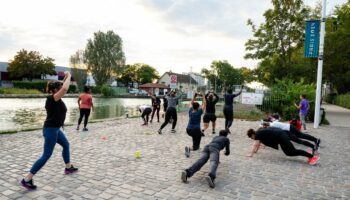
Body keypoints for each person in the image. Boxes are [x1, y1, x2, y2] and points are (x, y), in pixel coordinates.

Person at [21, 71, 78, 190]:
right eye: (60, 88)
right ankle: (27, 179)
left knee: (66, 145)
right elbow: (65, 88)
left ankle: (68, 167)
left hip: (56, 129)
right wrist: (69, 75)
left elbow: (63, 87)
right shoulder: (51, 99)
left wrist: (66, 77)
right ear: (55, 90)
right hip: (50, 130)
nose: (62, 89)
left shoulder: (56, 98)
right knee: (46, 155)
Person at [246, 127, 319, 165]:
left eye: (251, 138)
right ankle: (310, 154)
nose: (252, 139)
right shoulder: (259, 133)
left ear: (252, 135)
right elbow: (257, 144)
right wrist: (255, 151)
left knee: (292, 151)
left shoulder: (258, 134)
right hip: (282, 135)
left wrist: (251, 154)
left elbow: (255, 144)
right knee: (288, 153)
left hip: (282, 136)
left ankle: (312, 157)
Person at [185, 92, 206, 157]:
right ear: (198, 107)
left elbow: (191, 103)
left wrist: (194, 96)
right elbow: (204, 103)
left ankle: (195, 146)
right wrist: (203, 96)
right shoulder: (199, 112)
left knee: (195, 136)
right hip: (196, 130)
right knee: (196, 146)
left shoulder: (190, 111)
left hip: (188, 130)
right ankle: (190, 149)